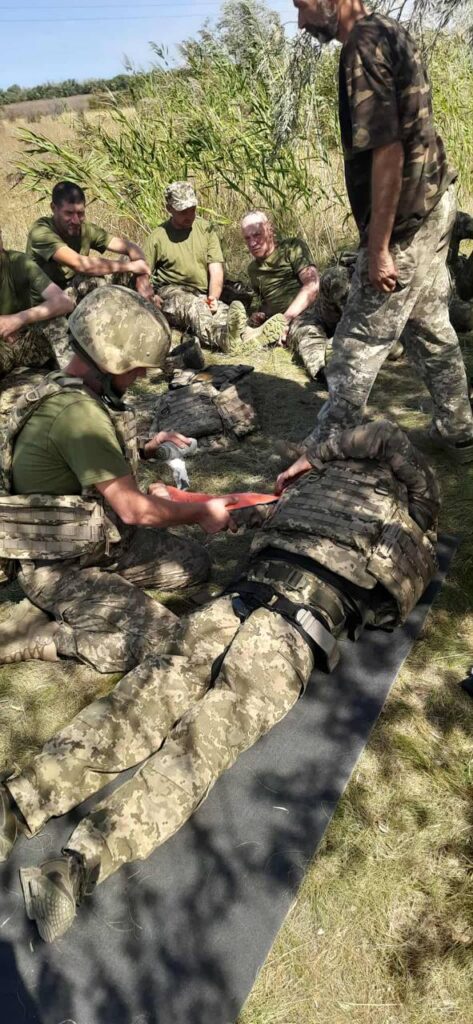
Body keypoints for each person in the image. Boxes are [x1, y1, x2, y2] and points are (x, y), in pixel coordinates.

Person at [0, 418, 439, 942]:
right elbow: (252, 511)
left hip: (273, 620)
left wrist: (305, 463)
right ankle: (39, 829)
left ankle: (54, 845)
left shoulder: (411, 499)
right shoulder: (331, 496)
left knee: (176, 728)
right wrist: (220, 501)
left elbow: (384, 434)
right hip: (256, 615)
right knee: (160, 717)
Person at [0, 285, 235, 674]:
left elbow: (88, 459)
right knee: (161, 641)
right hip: (57, 566)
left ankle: (94, 599)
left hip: (102, 544)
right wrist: (201, 512)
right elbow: (133, 510)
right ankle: (43, 635)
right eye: (136, 367)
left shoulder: (67, 388)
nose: (141, 374)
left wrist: (146, 447)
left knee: (195, 565)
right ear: (110, 361)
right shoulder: (78, 414)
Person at [292, 0, 473, 462]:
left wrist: (378, 247)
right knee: (428, 323)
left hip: (407, 219)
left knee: (358, 338)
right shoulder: (390, 30)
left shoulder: (362, 44)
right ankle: (458, 430)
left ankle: (323, 450)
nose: (301, 21)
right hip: (433, 200)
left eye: (300, 5)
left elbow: (388, 151)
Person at [144, 182, 285, 352]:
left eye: (192, 209)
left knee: (224, 311)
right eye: (183, 211)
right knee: (195, 308)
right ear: (169, 208)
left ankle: (249, 335)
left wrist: (213, 298)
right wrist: (150, 296)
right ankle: (225, 340)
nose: (189, 215)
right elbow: (142, 273)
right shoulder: (157, 237)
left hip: (202, 292)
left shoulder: (206, 229)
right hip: (173, 293)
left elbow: (216, 269)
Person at [26, 181, 153, 365]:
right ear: (53, 208)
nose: (76, 220)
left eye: (80, 213)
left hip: (72, 299)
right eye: (69, 213)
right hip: (48, 308)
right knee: (98, 276)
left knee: (120, 266)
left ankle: (127, 333)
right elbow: (81, 265)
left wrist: (143, 280)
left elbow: (130, 247)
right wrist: (132, 267)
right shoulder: (41, 232)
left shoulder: (84, 229)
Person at [0, 228, 73, 378]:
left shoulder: (18, 262)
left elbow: (65, 302)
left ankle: (74, 380)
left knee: (56, 322)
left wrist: (19, 319)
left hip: (25, 342)